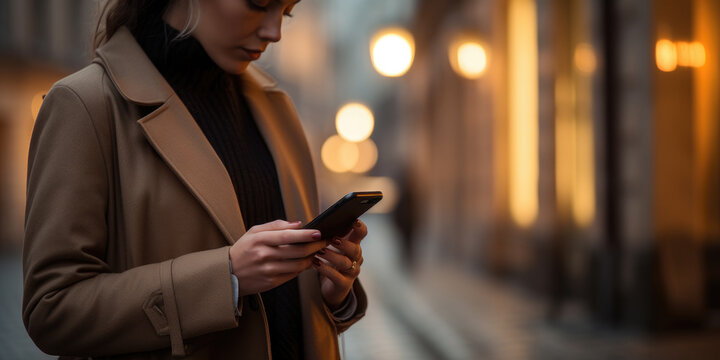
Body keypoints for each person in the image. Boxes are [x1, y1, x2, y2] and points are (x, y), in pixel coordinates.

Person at [22, 0, 368, 358]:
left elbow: (281, 312)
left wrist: (330, 289)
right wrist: (225, 277)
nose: (274, 32)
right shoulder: (85, 104)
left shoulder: (276, 108)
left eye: (286, 12)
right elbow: (52, 309)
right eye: (259, 4)